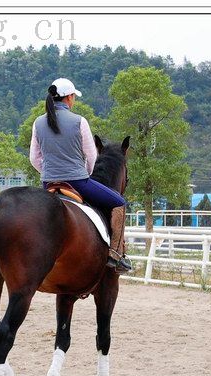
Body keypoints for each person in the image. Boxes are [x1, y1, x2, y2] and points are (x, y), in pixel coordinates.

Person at [29, 77, 132, 273]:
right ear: (68, 98)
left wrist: (50, 171)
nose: (74, 100)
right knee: (119, 203)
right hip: (78, 182)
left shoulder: (38, 123)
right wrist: (82, 174)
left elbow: (34, 158)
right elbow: (92, 158)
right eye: (73, 97)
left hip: (48, 183)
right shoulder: (79, 121)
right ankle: (116, 255)